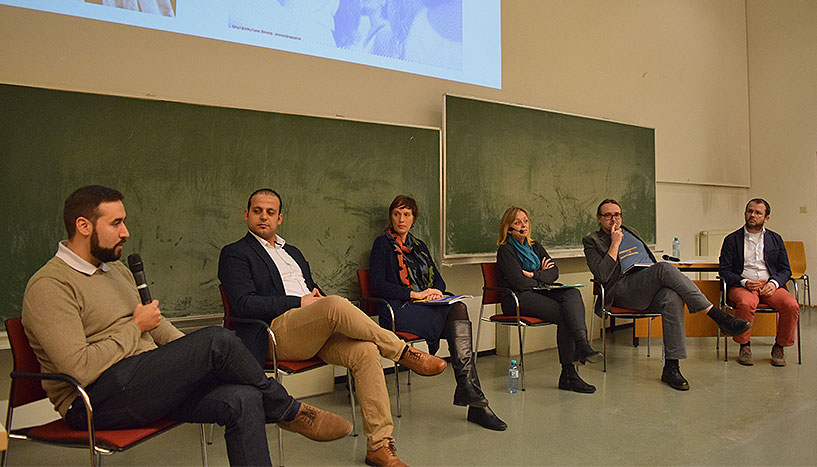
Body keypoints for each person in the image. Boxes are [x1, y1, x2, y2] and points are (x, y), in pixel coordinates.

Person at [21, 185, 352, 467]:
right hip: (95, 401)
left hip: (149, 382)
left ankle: (277, 406)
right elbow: (77, 368)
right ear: (84, 226)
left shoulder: (115, 271)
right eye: (117, 223)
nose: (126, 232)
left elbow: (157, 326)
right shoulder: (50, 286)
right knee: (216, 339)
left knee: (244, 398)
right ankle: (287, 409)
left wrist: (194, 359)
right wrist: (135, 328)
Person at [218, 188, 447, 467]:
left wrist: (317, 302)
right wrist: (301, 303)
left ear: (280, 218)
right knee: (336, 304)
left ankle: (379, 445)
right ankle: (402, 352)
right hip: (274, 332)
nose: (263, 217)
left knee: (365, 351)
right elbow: (242, 305)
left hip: (311, 329)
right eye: (257, 211)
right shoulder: (235, 253)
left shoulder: (293, 252)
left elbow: (313, 291)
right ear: (246, 215)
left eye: (270, 212)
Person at [368, 195, 507, 431]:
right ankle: (474, 401)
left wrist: (434, 293)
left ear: (414, 219)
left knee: (458, 307)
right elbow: (377, 285)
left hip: (425, 307)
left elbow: (439, 281)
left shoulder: (419, 246)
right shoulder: (382, 244)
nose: (401, 219)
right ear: (391, 217)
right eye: (397, 214)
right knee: (457, 315)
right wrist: (415, 294)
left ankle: (471, 394)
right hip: (398, 310)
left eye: (407, 214)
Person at [582, 198, 752, 391]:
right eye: (608, 215)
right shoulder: (592, 241)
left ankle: (672, 367)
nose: (614, 219)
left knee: (671, 296)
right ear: (599, 218)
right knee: (664, 268)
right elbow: (603, 275)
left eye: (617, 215)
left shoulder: (631, 232)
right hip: (621, 290)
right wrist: (615, 244)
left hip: (646, 284)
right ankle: (717, 316)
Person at [495, 206, 601, 394]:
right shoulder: (506, 250)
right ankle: (569, 373)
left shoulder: (534, 246)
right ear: (508, 227)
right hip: (516, 299)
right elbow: (519, 283)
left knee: (572, 294)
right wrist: (541, 275)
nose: (523, 225)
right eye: (518, 222)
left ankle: (582, 345)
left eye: (526, 221)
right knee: (565, 314)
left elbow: (554, 272)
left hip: (538, 291)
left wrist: (535, 274)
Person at [719, 198, 799, 366]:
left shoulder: (775, 239)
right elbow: (724, 271)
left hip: (769, 285)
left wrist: (774, 283)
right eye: (749, 211)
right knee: (746, 303)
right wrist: (744, 282)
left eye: (757, 213)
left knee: (791, 305)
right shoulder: (732, 239)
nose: (752, 215)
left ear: (766, 218)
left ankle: (780, 346)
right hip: (743, 285)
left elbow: (786, 270)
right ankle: (744, 345)